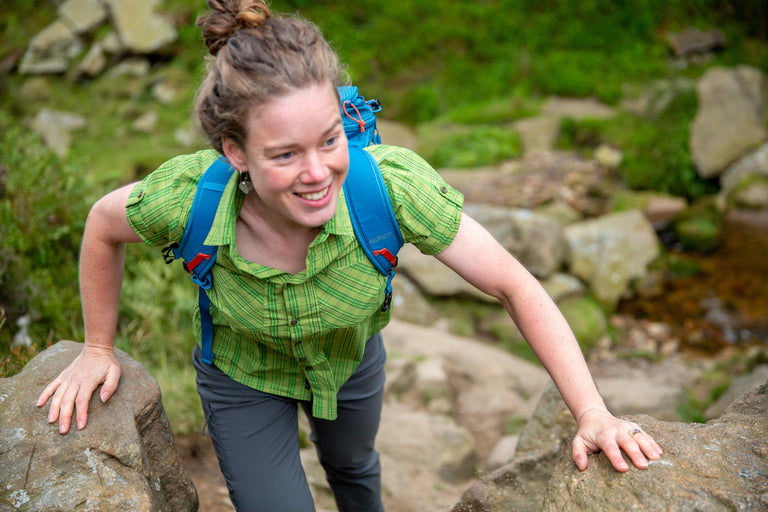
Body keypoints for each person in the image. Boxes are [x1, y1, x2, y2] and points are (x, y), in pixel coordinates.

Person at [36, 1, 663, 510]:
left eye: (330, 139)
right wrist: (97, 348)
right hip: (241, 376)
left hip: (351, 356)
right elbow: (101, 224)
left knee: (353, 465)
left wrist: (593, 413)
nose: (317, 173)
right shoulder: (186, 200)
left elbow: (515, 285)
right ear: (235, 152)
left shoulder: (387, 188)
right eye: (285, 154)